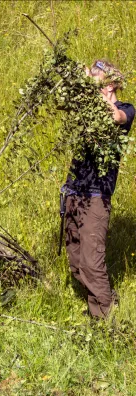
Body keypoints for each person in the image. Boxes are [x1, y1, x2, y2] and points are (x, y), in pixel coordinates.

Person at [64, 60, 135, 318]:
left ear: (112, 83)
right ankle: (102, 302)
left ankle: (106, 321)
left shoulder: (125, 109)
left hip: (96, 196)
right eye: (93, 75)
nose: (94, 80)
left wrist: (93, 90)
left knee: (92, 264)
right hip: (74, 192)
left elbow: (115, 117)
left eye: (99, 77)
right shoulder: (87, 109)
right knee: (76, 263)